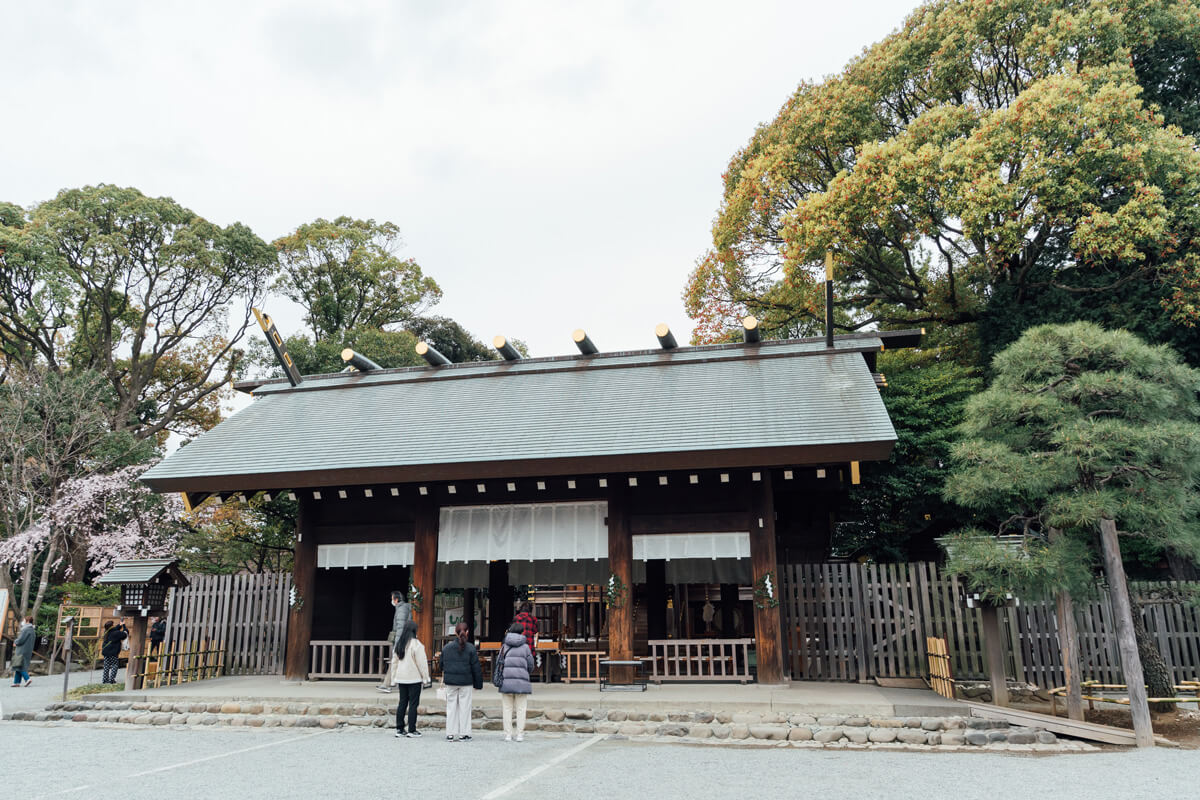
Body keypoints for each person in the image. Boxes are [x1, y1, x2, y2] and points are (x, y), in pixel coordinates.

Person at [440, 621, 483, 741]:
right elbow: (476, 668)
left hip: (451, 682)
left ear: (455, 632)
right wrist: (478, 684)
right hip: (466, 682)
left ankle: (450, 733)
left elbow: (441, 665)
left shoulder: (447, 647)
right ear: (468, 632)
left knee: (451, 707)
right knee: (465, 708)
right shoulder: (471, 648)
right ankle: (464, 733)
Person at [388, 619, 430, 738]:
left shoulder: (399, 644)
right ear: (414, 630)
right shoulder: (417, 645)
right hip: (414, 678)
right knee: (413, 704)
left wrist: (393, 678)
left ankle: (400, 729)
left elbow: (394, 662)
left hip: (401, 678)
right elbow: (422, 664)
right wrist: (426, 677)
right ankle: (412, 729)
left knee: (402, 702)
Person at [497, 621, 535, 742]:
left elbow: (499, 663)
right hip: (521, 682)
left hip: (506, 682)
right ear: (522, 632)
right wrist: (525, 672)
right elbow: (531, 664)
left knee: (507, 709)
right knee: (521, 709)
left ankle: (508, 735)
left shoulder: (504, 647)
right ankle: (520, 735)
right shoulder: (525, 647)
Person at [378, 589, 412, 693]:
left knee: (395, 662)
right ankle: (391, 684)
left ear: (396, 600)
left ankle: (387, 684)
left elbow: (400, 628)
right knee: (400, 663)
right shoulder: (402, 609)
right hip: (405, 640)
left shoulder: (401, 610)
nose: (391, 600)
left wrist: (398, 644)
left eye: (392, 598)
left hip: (401, 641)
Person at [101, 620, 128, 684]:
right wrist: (124, 626)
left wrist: (120, 625)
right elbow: (125, 634)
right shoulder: (116, 633)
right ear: (112, 626)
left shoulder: (106, 631)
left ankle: (105, 680)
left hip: (106, 651)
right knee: (114, 665)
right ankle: (111, 680)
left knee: (106, 666)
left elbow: (114, 629)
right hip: (113, 652)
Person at [11, 616, 35, 687]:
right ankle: (16, 682)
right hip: (28, 649)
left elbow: (21, 639)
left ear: (27, 621)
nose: (23, 621)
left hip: (22, 649)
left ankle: (27, 679)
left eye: (24, 620)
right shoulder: (32, 629)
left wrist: (16, 642)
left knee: (19, 664)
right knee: (18, 664)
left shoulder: (26, 629)